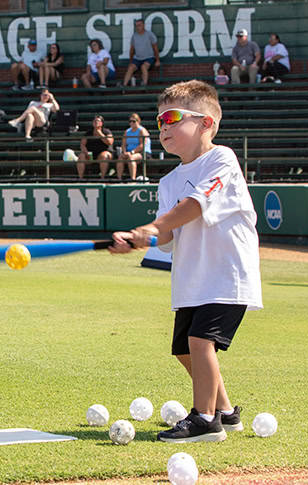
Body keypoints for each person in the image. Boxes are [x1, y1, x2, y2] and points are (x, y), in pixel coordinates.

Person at [109, 80, 261, 444]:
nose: (163, 127)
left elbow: (193, 206)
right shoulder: (168, 181)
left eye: (173, 117)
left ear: (206, 123)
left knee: (200, 340)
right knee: (184, 348)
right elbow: (168, 234)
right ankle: (225, 411)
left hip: (226, 275)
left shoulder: (221, 159)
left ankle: (205, 420)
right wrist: (139, 239)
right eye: (159, 120)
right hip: (192, 279)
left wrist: (153, 226)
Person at [122, 19, 160, 87]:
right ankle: (124, 86)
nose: (138, 27)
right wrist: (131, 61)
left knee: (143, 67)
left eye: (139, 25)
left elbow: (155, 48)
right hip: (138, 58)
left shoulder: (149, 34)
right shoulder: (134, 36)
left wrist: (157, 60)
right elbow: (132, 50)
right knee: (131, 68)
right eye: (136, 26)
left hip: (149, 57)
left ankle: (144, 85)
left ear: (143, 25)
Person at [77, 115, 114, 180]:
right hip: (91, 155)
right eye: (94, 121)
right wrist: (86, 152)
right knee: (81, 156)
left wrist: (100, 134)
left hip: (103, 153)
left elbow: (110, 142)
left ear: (101, 123)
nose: (96, 122)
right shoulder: (89, 132)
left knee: (104, 156)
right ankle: (80, 178)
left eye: (98, 121)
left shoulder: (106, 131)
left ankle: (102, 178)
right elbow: (82, 144)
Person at [116, 113, 150, 181]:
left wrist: (132, 152)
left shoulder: (142, 130)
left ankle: (133, 179)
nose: (131, 123)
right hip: (129, 152)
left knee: (131, 158)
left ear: (138, 121)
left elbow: (142, 145)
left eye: (134, 121)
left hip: (142, 152)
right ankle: (119, 179)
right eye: (130, 121)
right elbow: (123, 144)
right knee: (120, 158)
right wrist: (124, 152)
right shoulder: (127, 131)